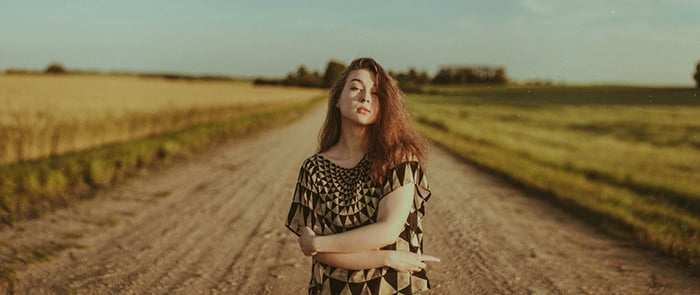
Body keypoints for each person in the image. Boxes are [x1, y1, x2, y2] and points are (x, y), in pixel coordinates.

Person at [285, 57, 439, 295]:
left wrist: (319, 243)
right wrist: (388, 257)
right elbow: (319, 254)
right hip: (333, 288)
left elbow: (387, 230)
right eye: (355, 88)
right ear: (337, 99)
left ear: (385, 104)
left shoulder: (398, 157)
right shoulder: (313, 168)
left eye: (376, 93)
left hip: (391, 288)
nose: (365, 97)